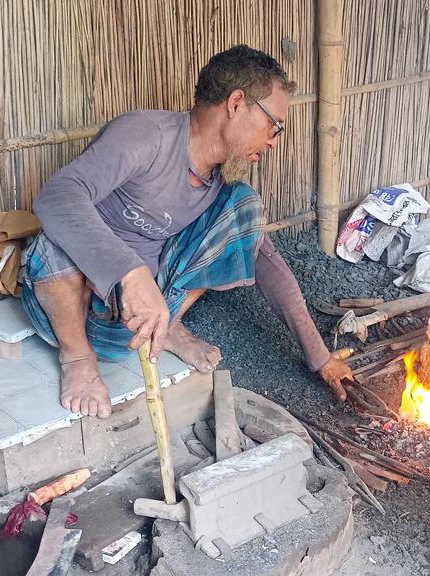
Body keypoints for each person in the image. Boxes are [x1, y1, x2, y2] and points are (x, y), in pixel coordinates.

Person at [23, 45, 353, 418]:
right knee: (55, 240)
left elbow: (269, 266)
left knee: (245, 206)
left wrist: (320, 359)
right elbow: (56, 196)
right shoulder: (147, 135)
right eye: (273, 125)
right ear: (236, 103)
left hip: (139, 330)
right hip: (72, 315)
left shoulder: (217, 184)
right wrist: (129, 274)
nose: (275, 140)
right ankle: (78, 359)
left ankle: (173, 326)